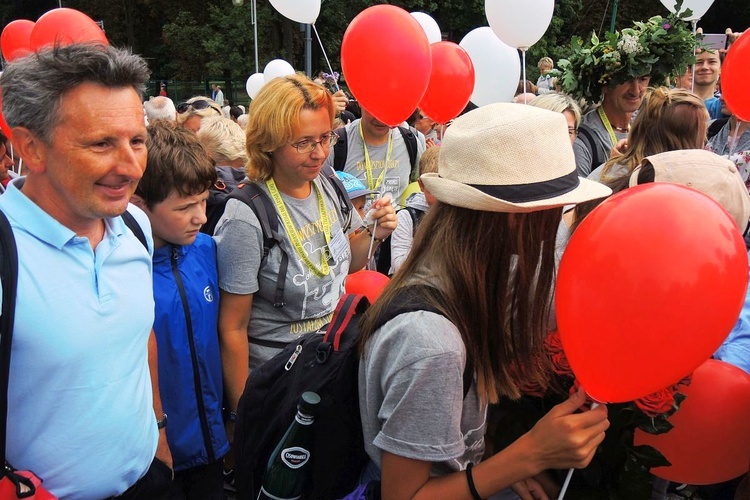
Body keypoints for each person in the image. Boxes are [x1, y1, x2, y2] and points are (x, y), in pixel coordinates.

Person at [358, 104, 611, 499]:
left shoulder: (456, 284)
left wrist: (498, 466)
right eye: (556, 209)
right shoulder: (432, 344)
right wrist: (528, 456)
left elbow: (456, 450)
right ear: (515, 218)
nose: (558, 224)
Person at [0, 43, 172, 498]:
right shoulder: (5, 251)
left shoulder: (135, 224)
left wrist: (158, 434)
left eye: (137, 140)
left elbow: (139, 338)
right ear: (31, 148)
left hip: (147, 481)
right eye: (101, 144)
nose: (131, 166)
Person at [213, 74, 396, 425]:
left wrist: (376, 231)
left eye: (325, 137)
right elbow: (232, 328)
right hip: (276, 384)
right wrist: (243, 414)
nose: (320, 153)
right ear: (268, 142)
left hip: (330, 364)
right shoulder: (246, 215)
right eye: (302, 143)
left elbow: (344, 265)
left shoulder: (327, 184)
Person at [132, 121, 229, 499]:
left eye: (203, 201)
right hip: (154, 455)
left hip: (211, 444)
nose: (201, 216)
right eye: (186, 206)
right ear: (140, 205)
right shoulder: (123, 268)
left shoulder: (206, 250)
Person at [558, 14, 698, 177]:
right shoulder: (584, 139)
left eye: (643, 79)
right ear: (604, 84)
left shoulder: (650, 128)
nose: (636, 89)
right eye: (625, 80)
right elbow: (580, 199)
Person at [325, 106, 425, 204]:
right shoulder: (336, 143)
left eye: (388, 109)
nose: (380, 119)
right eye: (375, 109)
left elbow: (420, 187)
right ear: (360, 101)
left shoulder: (411, 142)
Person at [389, 145, 439, 275]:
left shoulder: (458, 214)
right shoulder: (407, 217)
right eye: (434, 190)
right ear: (421, 185)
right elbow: (399, 266)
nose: (441, 198)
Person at [691, 49, 723, 119]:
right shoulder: (675, 101)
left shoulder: (724, 106)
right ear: (690, 69)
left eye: (712, 62)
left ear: (721, 68)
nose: (704, 67)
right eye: (699, 62)